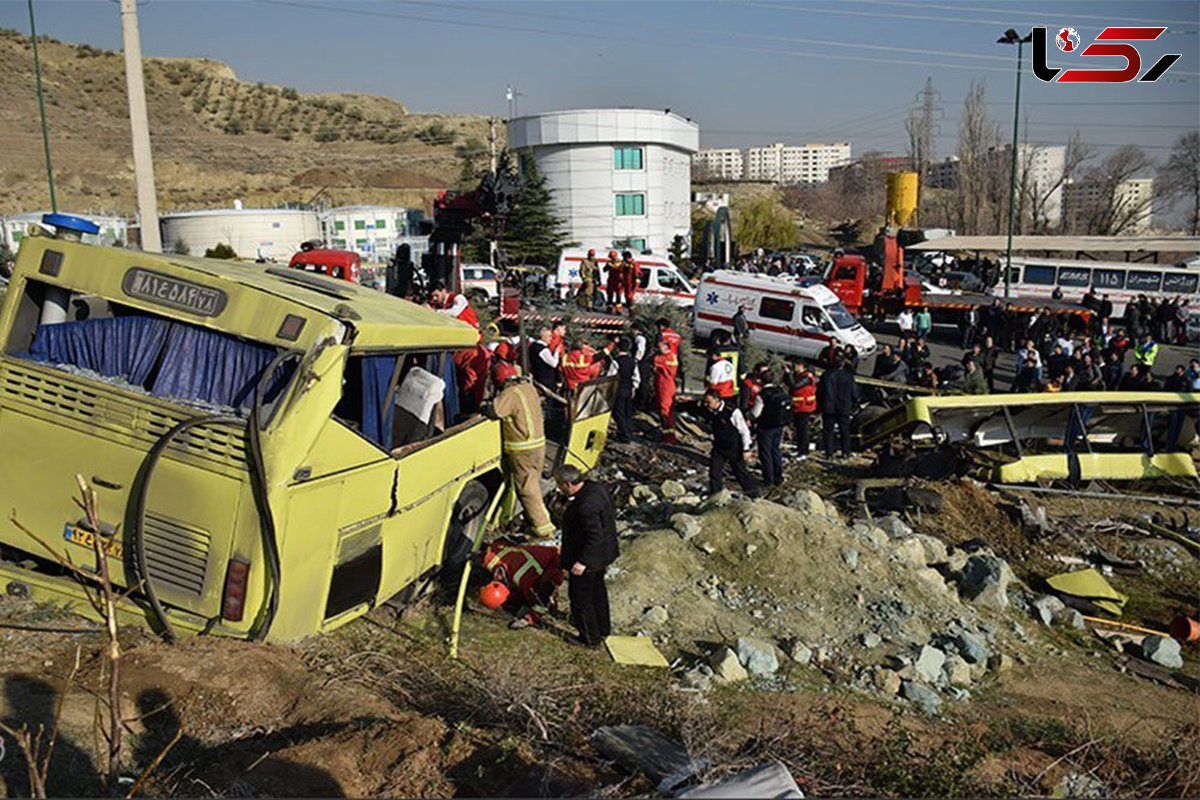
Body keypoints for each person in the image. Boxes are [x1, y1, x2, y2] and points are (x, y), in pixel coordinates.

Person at [555, 464, 619, 648]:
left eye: (560, 485)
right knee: (598, 593)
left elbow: (594, 535)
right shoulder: (595, 488)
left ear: (568, 484)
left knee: (581, 599)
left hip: (588, 558)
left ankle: (589, 638)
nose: (559, 489)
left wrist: (583, 561)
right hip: (604, 554)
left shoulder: (585, 506)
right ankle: (602, 629)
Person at [488, 362, 554, 538]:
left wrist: (486, 405)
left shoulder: (510, 393)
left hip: (522, 449)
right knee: (533, 484)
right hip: (539, 445)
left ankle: (543, 530)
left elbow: (495, 411)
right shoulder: (528, 388)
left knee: (526, 490)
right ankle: (538, 518)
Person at [480, 537, 565, 628]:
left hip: (557, 559)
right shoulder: (493, 560)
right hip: (542, 553)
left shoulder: (526, 581)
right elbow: (498, 543)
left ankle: (552, 607)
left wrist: (528, 619)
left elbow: (541, 603)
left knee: (547, 588)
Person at [701, 389, 758, 498]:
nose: (706, 405)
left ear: (717, 400)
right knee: (714, 471)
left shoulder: (732, 411)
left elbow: (744, 431)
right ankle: (715, 494)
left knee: (740, 472)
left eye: (709, 402)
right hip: (718, 446)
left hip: (734, 447)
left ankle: (753, 493)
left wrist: (746, 449)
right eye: (705, 402)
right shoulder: (708, 410)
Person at [752, 370, 791, 486]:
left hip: (765, 426)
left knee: (765, 453)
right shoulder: (780, 390)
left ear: (760, 381)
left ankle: (768, 479)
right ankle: (778, 477)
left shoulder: (762, 394)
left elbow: (755, 413)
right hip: (779, 425)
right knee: (776, 451)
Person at [817, 356, 856, 459]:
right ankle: (845, 452)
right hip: (844, 406)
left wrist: (820, 406)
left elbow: (820, 392)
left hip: (829, 406)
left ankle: (829, 453)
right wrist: (854, 404)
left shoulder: (826, 375)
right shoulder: (848, 376)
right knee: (844, 431)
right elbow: (854, 392)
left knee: (828, 431)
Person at [607, 336, 639, 443]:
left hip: (618, 389)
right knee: (627, 412)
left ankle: (624, 435)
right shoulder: (633, 361)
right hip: (629, 388)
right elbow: (636, 377)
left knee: (618, 412)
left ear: (618, 348)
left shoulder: (616, 361)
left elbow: (610, 376)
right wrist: (634, 388)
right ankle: (629, 432)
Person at [787, 360, 817, 458]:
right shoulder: (799, 375)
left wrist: (789, 374)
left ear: (801, 365)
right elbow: (789, 383)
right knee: (799, 429)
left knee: (803, 430)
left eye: (794, 365)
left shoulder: (806, 377)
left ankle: (804, 451)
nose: (793, 367)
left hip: (805, 406)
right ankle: (799, 448)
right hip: (798, 406)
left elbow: (795, 386)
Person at [653, 339, 679, 443]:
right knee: (666, 410)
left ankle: (669, 437)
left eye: (659, 347)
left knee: (665, 410)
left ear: (666, 347)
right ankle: (667, 434)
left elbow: (656, 360)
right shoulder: (671, 357)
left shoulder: (666, 358)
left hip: (666, 385)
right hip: (665, 384)